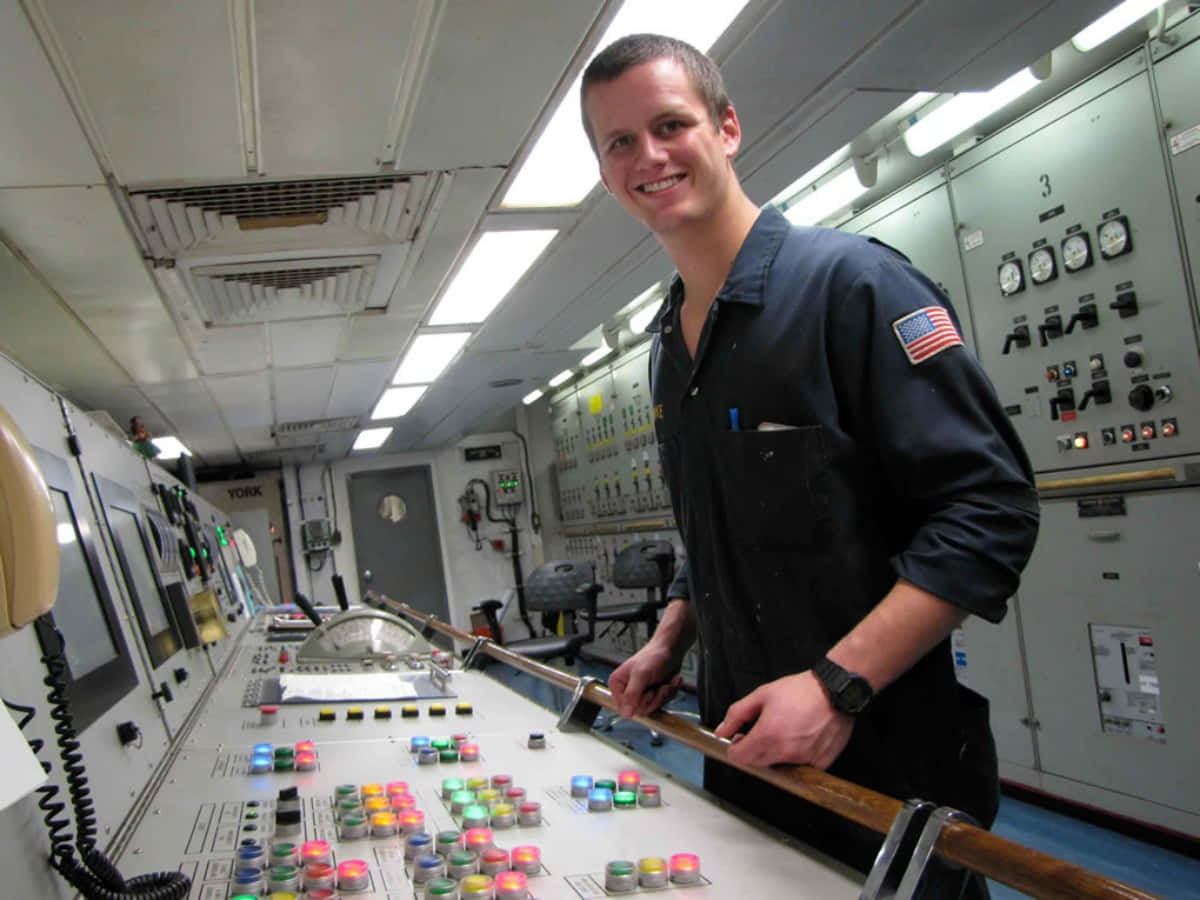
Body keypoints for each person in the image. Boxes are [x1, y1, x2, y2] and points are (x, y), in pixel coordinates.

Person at [581, 33, 1040, 886]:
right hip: (746, 755)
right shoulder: (668, 347)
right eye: (618, 142)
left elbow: (992, 509)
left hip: (886, 768)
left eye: (670, 124)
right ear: (606, 171)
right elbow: (727, 526)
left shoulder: (853, 288)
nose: (648, 155)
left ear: (726, 128)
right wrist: (672, 638)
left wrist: (837, 686)